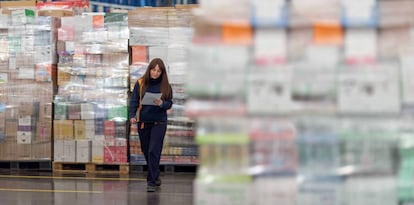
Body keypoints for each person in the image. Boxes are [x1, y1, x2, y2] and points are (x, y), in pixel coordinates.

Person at [129, 58, 173, 192]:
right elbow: (134, 101)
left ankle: (151, 181)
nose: (155, 73)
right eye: (153, 70)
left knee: (154, 150)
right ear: (149, 69)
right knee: (146, 150)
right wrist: (132, 116)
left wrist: (162, 104)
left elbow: (169, 103)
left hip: (159, 122)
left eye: (158, 71)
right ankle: (156, 174)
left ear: (162, 72)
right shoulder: (141, 83)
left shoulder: (166, 86)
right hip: (143, 122)